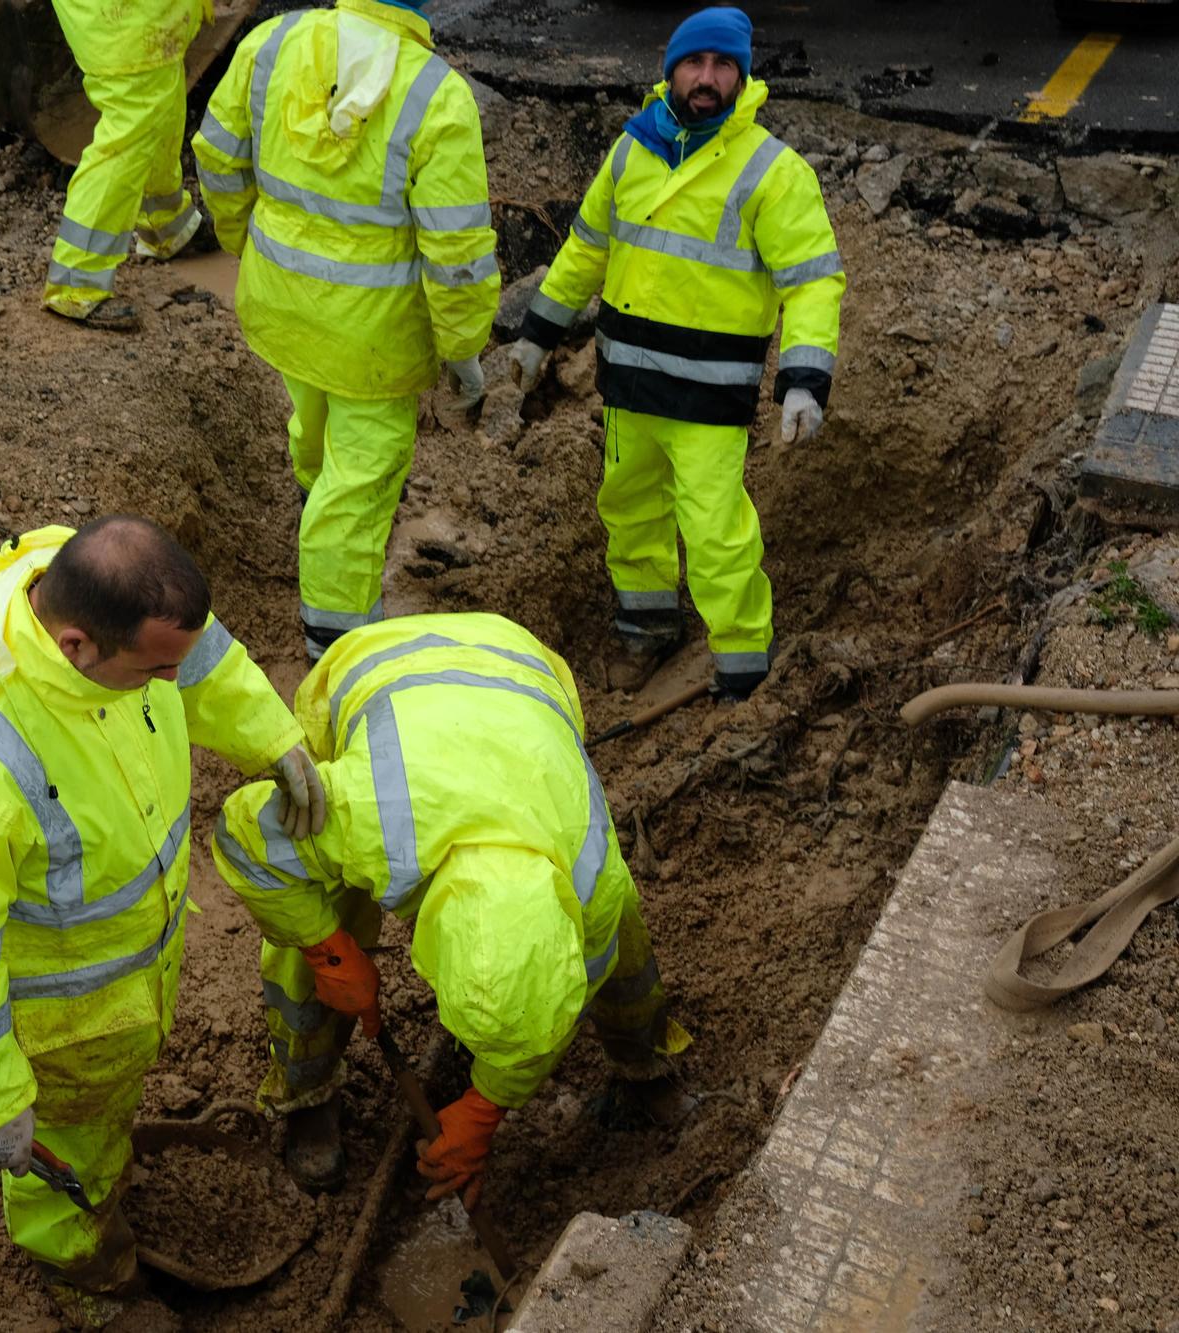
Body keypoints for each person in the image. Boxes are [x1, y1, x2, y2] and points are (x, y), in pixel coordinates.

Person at [0, 517, 324, 1327]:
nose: (171, 680)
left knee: (101, 1125)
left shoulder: (111, 596)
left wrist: (274, 739)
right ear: (76, 646)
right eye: (154, 670)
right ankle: (90, 1281)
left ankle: (103, 1182)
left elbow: (205, 660)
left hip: (130, 986)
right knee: (63, 1163)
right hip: (58, 1031)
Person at [211, 613, 691, 1198]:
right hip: (369, 669)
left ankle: (644, 1060)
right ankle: (307, 1092)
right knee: (319, 911)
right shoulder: (367, 815)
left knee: (622, 942)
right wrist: (328, 949)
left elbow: (579, 975)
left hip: (520, 665)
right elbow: (244, 836)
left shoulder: (593, 880)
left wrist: (486, 1107)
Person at [507, 6, 844, 700]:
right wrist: (538, 334)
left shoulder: (772, 173)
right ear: (672, 71)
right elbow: (585, 250)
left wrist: (804, 380)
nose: (708, 78)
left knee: (716, 533)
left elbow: (812, 282)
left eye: (723, 66)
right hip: (629, 388)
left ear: (742, 78)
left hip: (708, 399)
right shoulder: (633, 150)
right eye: (695, 63)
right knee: (630, 514)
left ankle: (743, 666)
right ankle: (646, 629)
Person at [192, 0, 500, 662]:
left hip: (281, 305)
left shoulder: (273, 42)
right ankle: (337, 648)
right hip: (375, 341)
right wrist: (462, 348)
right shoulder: (436, 94)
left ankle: (315, 519)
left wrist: (244, 238)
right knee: (357, 492)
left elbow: (216, 152)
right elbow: (458, 257)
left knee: (311, 427)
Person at [41, 0, 214, 332]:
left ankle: (167, 226)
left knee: (160, 113)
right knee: (129, 136)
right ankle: (77, 281)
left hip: (144, 19)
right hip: (129, 20)